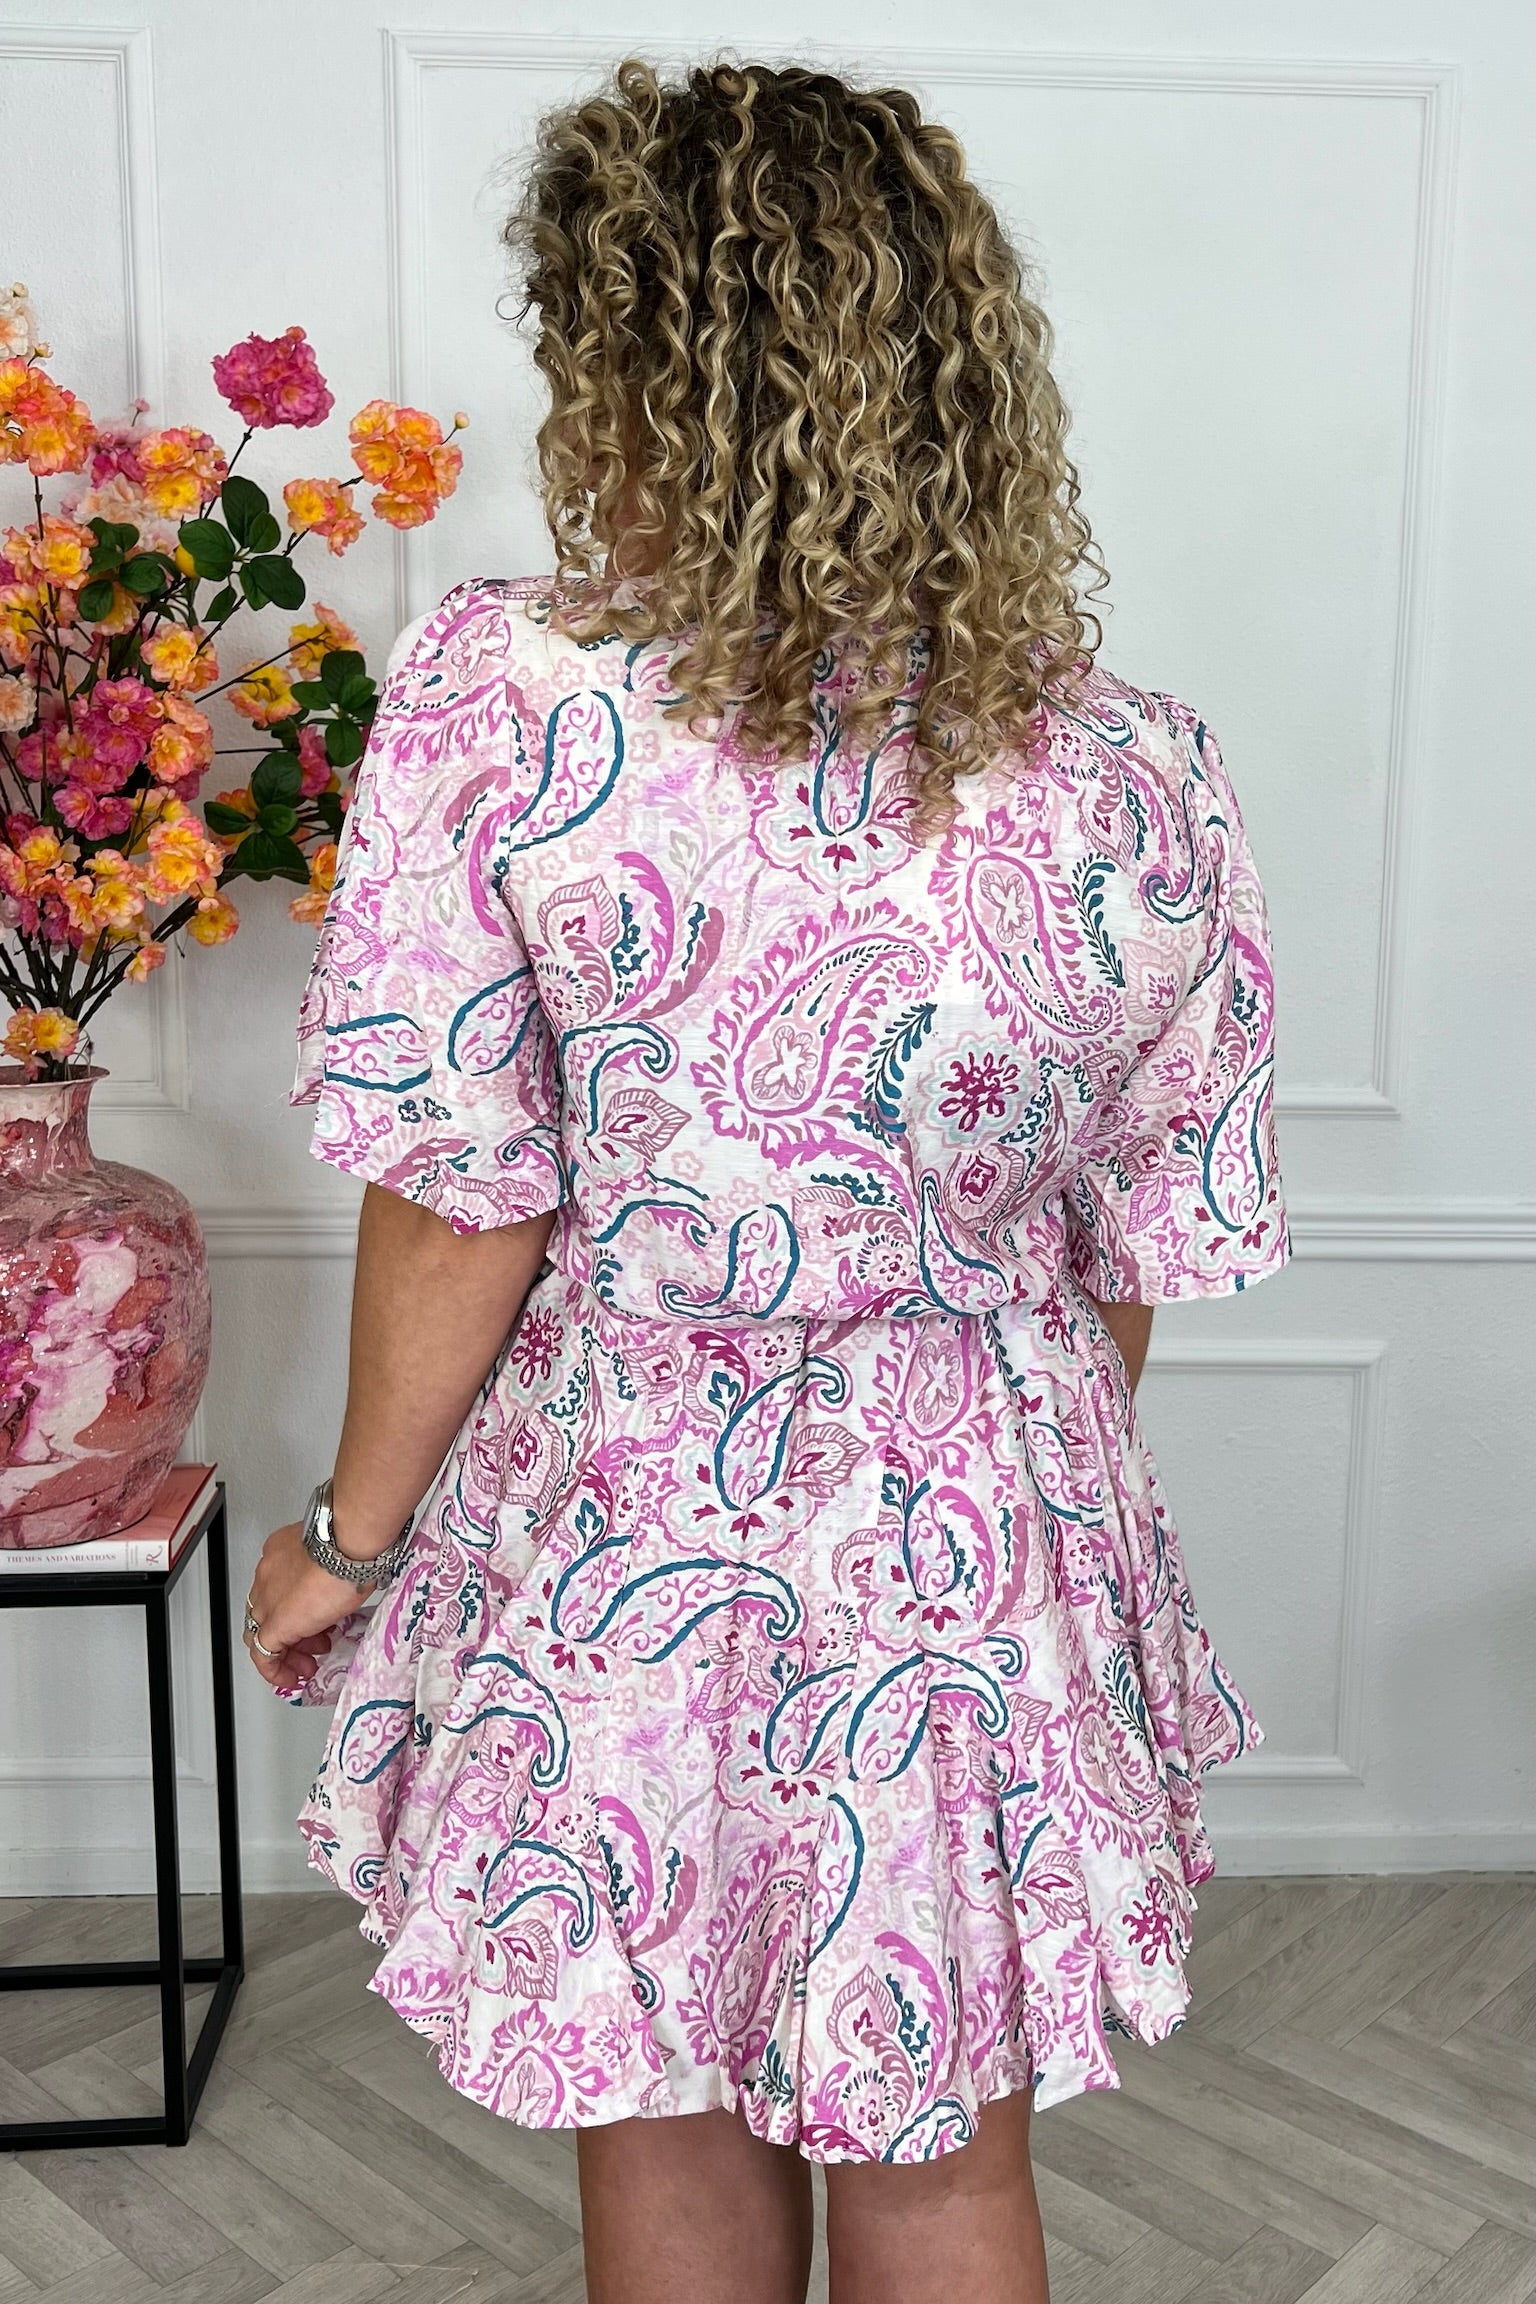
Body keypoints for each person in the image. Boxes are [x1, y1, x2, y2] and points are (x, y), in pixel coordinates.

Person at [244, 55, 1289, 2304]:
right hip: (992, 1502)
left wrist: (353, 1534)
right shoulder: (1138, 764)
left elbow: (461, 1188)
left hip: (635, 1499)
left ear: (633, 367)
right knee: (945, 2144)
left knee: (669, 2104)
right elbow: (1126, 1245)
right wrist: (998, 1504)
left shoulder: (511, 700)